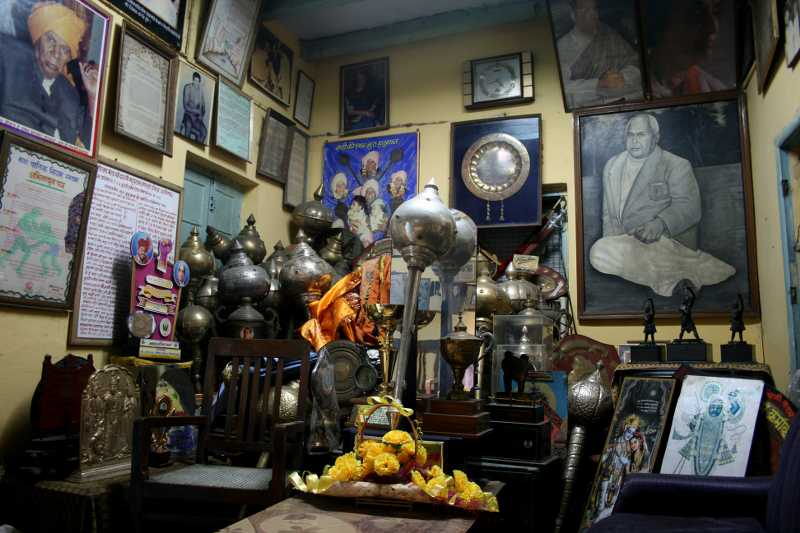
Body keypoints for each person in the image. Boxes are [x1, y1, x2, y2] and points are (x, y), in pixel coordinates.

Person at [588, 113, 735, 296]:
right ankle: (680, 276)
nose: (634, 141)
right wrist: (611, 243)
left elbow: (690, 207)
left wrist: (660, 223)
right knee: (598, 253)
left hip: (664, 243)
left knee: (648, 254)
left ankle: (673, 280)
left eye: (641, 135)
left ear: (655, 138)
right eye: (630, 135)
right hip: (626, 244)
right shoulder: (612, 166)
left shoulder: (676, 164)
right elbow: (608, 213)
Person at [0, 2, 98, 148]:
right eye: (51, 40)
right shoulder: (8, 61)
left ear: (69, 57)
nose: (56, 53)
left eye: (65, 49)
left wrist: (92, 95)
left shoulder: (69, 93)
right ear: (38, 38)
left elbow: (89, 144)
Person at [556, 0, 642, 108]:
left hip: (624, 100)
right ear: (573, 15)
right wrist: (599, 83)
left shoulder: (609, 34)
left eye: (594, 9)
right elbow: (562, 87)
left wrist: (623, 76)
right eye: (584, 9)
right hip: (588, 106)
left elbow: (635, 62)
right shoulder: (564, 46)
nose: (592, 14)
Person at [647, 0, 728, 97]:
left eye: (715, 12)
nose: (713, 28)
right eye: (697, 13)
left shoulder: (714, 91)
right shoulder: (633, 86)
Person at [180, 71, 207, 142]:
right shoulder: (187, 87)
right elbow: (185, 106)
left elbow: (203, 107)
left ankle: (197, 145)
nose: (196, 83)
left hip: (197, 119)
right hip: (188, 115)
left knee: (204, 132)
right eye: (195, 81)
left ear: (199, 82)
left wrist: (202, 115)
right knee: (188, 128)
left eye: (198, 81)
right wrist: (196, 111)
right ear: (193, 80)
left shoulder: (201, 91)